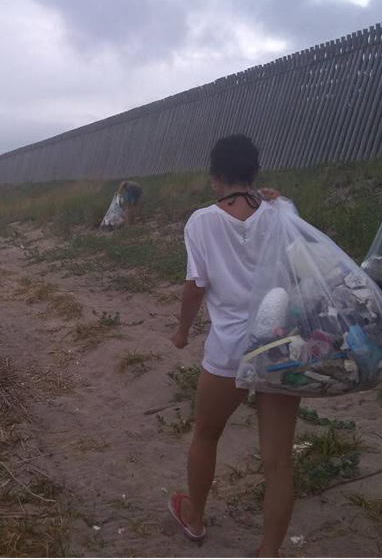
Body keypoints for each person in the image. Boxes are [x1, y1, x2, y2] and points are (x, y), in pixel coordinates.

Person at [167, 134, 295, 558]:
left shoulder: (201, 221)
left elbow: (195, 286)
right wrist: (278, 203)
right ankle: (268, 551)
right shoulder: (280, 213)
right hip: (278, 343)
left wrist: (182, 331)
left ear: (215, 177)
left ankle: (196, 520)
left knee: (206, 435)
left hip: (228, 350)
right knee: (278, 461)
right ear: (255, 173)